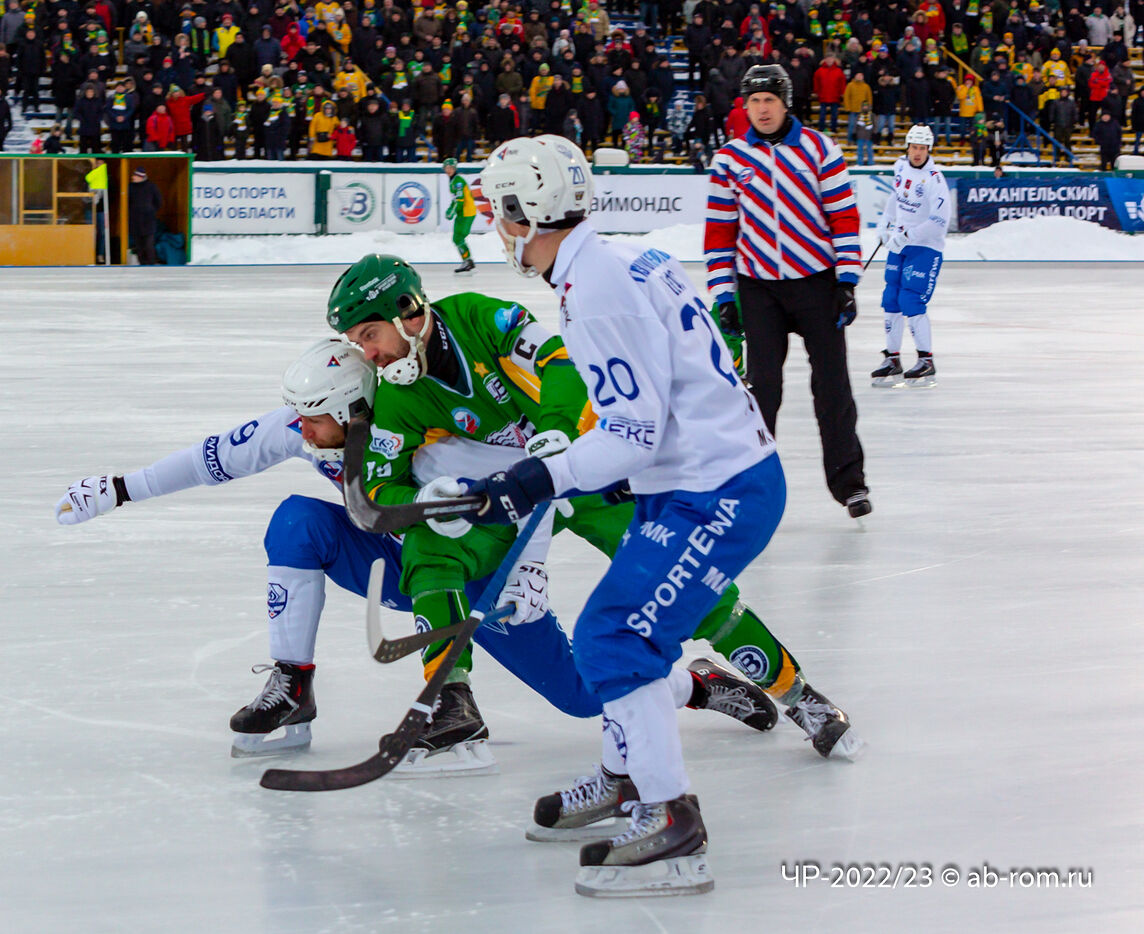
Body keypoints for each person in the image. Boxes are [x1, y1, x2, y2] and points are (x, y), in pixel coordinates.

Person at [55, 339, 778, 765]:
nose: (300, 431)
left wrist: (527, 571)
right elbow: (213, 457)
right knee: (296, 523)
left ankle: (695, 685)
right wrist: (119, 489)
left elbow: (540, 492)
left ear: (354, 412)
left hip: (479, 576)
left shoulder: (435, 441)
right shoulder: (303, 425)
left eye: (314, 421)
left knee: (584, 700)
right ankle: (293, 685)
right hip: (393, 564)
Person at [328, 253, 856, 770]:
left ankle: (799, 695)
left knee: (682, 577)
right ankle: (449, 699)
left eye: (370, 335)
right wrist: (425, 501)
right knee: (430, 546)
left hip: (584, 468)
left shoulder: (477, 315)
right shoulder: (398, 396)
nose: (367, 354)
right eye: (356, 343)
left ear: (408, 311)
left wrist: (556, 430)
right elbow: (379, 487)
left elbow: (559, 359)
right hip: (512, 494)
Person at [469, 133, 798, 897]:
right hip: (701, 479)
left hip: (717, 492)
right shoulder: (617, 260)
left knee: (614, 635)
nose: (493, 226)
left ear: (527, 212)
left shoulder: (596, 290)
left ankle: (670, 820)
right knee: (622, 633)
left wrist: (539, 477)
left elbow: (631, 433)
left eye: (498, 211)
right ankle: (626, 776)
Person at [704, 65, 871, 519]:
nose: (762, 109)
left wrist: (846, 281)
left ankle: (850, 484)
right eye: (754, 101)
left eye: (770, 100)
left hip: (817, 284)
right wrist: (724, 295)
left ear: (785, 103)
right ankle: (753, 487)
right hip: (760, 290)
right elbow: (720, 232)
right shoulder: (730, 160)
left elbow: (843, 217)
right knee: (762, 390)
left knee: (832, 387)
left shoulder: (819, 148)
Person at [871, 125, 950, 389]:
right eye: (914, 147)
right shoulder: (901, 167)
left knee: (910, 298)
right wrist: (885, 223)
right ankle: (892, 358)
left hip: (925, 246)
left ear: (929, 150)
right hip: (900, 244)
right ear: (908, 147)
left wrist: (908, 236)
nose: (917, 153)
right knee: (891, 298)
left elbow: (939, 221)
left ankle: (926, 360)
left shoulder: (935, 180)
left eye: (922, 148)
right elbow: (896, 197)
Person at [443, 158, 477, 274]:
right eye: (447, 168)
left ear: (455, 168)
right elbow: (456, 199)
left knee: (458, 238)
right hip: (463, 212)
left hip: (466, 212)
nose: (449, 170)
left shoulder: (458, 181)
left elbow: (459, 200)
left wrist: (452, 211)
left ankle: (467, 261)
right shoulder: (453, 180)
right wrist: (451, 209)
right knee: (457, 238)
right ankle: (468, 260)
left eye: (451, 168)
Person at [127, 167, 162, 265]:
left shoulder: (151, 187)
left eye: (135, 175)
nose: (133, 177)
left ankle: (151, 263)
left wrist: (151, 211)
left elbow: (158, 201)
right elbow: (127, 203)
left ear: (141, 177)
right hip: (135, 221)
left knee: (148, 244)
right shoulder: (130, 187)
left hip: (148, 221)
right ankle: (142, 264)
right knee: (139, 245)